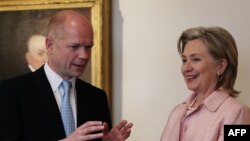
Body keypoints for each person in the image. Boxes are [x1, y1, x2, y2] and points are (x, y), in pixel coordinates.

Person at [0, 10, 133, 141]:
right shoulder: (11, 93)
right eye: (75, 47)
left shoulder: (97, 98)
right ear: (50, 45)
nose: (84, 56)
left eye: (88, 47)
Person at [161, 26, 250, 141]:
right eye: (184, 60)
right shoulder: (177, 111)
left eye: (196, 59)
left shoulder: (238, 112)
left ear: (220, 66)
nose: (186, 68)